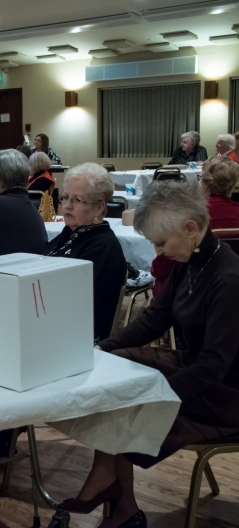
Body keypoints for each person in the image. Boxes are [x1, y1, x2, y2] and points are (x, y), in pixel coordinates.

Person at [60, 181, 239, 528]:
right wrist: (103, 348)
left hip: (227, 394)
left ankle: (117, 497)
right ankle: (117, 496)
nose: (158, 251)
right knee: (114, 369)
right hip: (199, 371)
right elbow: (157, 317)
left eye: (161, 242)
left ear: (190, 229)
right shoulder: (192, 258)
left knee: (126, 396)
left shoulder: (228, 280)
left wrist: (157, 392)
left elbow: (214, 366)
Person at [47, 164, 127, 342]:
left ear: (99, 208)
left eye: (77, 200)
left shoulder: (103, 248)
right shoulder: (70, 233)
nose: (67, 206)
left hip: (74, 338)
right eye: (65, 198)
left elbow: (76, 304)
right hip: (48, 321)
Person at [151, 155, 239, 297]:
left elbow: (162, 267)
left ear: (205, 183)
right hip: (231, 290)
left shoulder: (187, 217)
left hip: (191, 293)